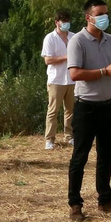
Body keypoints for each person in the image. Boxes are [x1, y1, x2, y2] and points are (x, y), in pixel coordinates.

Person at [67, 0, 111, 220]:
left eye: (106, 13)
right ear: (89, 17)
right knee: (80, 157)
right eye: (100, 14)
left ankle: (104, 199)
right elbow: (74, 74)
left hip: (108, 106)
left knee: (106, 156)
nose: (105, 18)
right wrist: (105, 72)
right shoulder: (77, 41)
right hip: (86, 107)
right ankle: (75, 204)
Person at [42, 11, 76, 149]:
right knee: (53, 111)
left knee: (71, 111)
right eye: (63, 21)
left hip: (72, 79)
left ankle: (70, 137)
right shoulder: (50, 38)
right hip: (56, 79)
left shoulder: (74, 37)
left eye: (68, 20)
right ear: (57, 22)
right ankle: (49, 140)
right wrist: (66, 57)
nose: (66, 23)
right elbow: (48, 60)